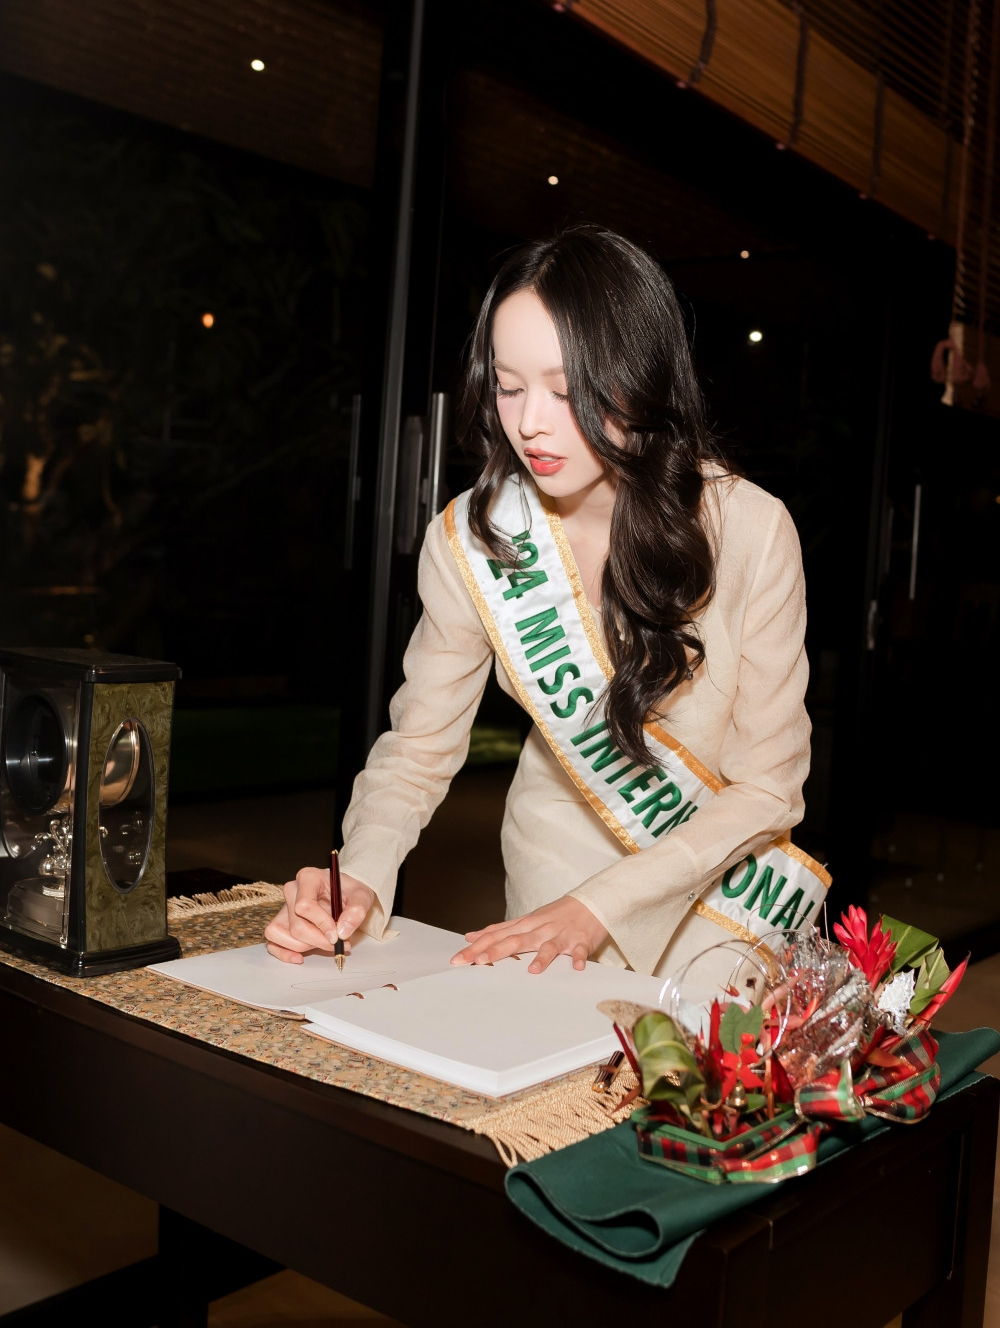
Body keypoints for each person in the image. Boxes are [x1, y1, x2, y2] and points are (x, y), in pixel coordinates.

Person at [265, 225, 826, 981]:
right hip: (551, 874)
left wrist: (602, 903)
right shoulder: (475, 537)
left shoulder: (750, 530)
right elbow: (418, 749)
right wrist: (360, 874)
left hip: (715, 891)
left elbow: (768, 787)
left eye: (567, 391)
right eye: (509, 386)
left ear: (641, 377)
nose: (530, 422)